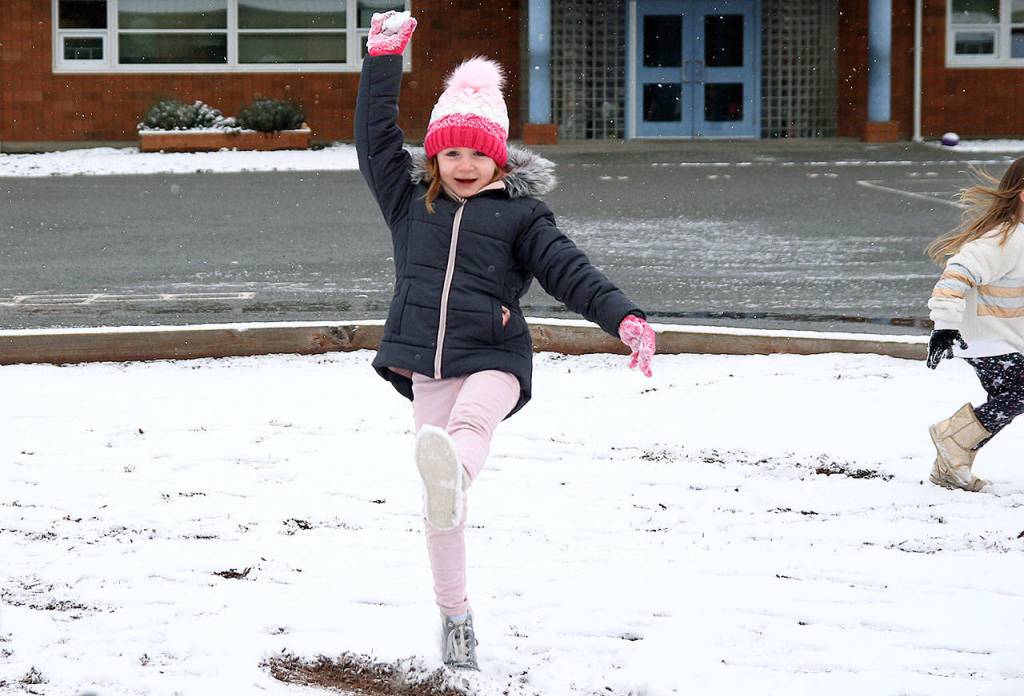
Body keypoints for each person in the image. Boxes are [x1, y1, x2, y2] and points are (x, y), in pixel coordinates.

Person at [355, 11, 657, 670]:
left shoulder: (523, 217)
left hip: (495, 357)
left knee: (470, 427)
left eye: (477, 153)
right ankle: (455, 616)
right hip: (427, 364)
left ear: (499, 155)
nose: (464, 165)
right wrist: (383, 59)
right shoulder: (410, 203)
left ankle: (455, 473)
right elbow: (375, 138)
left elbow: (572, 272)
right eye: (451, 153)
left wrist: (624, 319)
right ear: (434, 156)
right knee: (440, 512)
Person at [925, 156, 1024, 492]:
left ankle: (948, 467)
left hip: (1002, 340)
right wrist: (944, 326)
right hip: (986, 341)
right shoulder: (1003, 239)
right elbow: (956, 275)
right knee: (1015, 396)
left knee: (1007, 401)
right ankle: (953, 439)